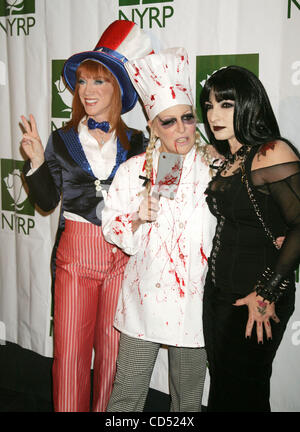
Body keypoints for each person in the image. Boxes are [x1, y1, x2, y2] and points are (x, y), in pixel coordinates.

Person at [20, 20, 153, 412]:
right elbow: (46, 202)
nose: (87, 91)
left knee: (112, 358)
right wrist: (36, 163)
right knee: (71, 358)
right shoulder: (61, 139)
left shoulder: (140, 143)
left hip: (122, 256)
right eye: (82, 82)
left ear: (118, 89)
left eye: (98, 82)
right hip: (76, 256)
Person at [101, 47, 216, 412]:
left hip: (195, 304)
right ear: (152, 125)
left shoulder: (215, 168)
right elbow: (112, 228)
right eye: (169, 121)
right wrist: (137, 216)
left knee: (188, 402)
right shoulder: (134, 170)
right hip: (144, 301)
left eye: (187, 117)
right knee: (126, 398)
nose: (181, 129)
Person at [199, 65, 300, 412]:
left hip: (256, 296)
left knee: (244, 396)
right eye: (209, 105)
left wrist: (268, 291)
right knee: (226, 392)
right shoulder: (234, 157)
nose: (213, 114)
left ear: (250, 105)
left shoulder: (271, 152)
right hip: (219, 294)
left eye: (226, 104)